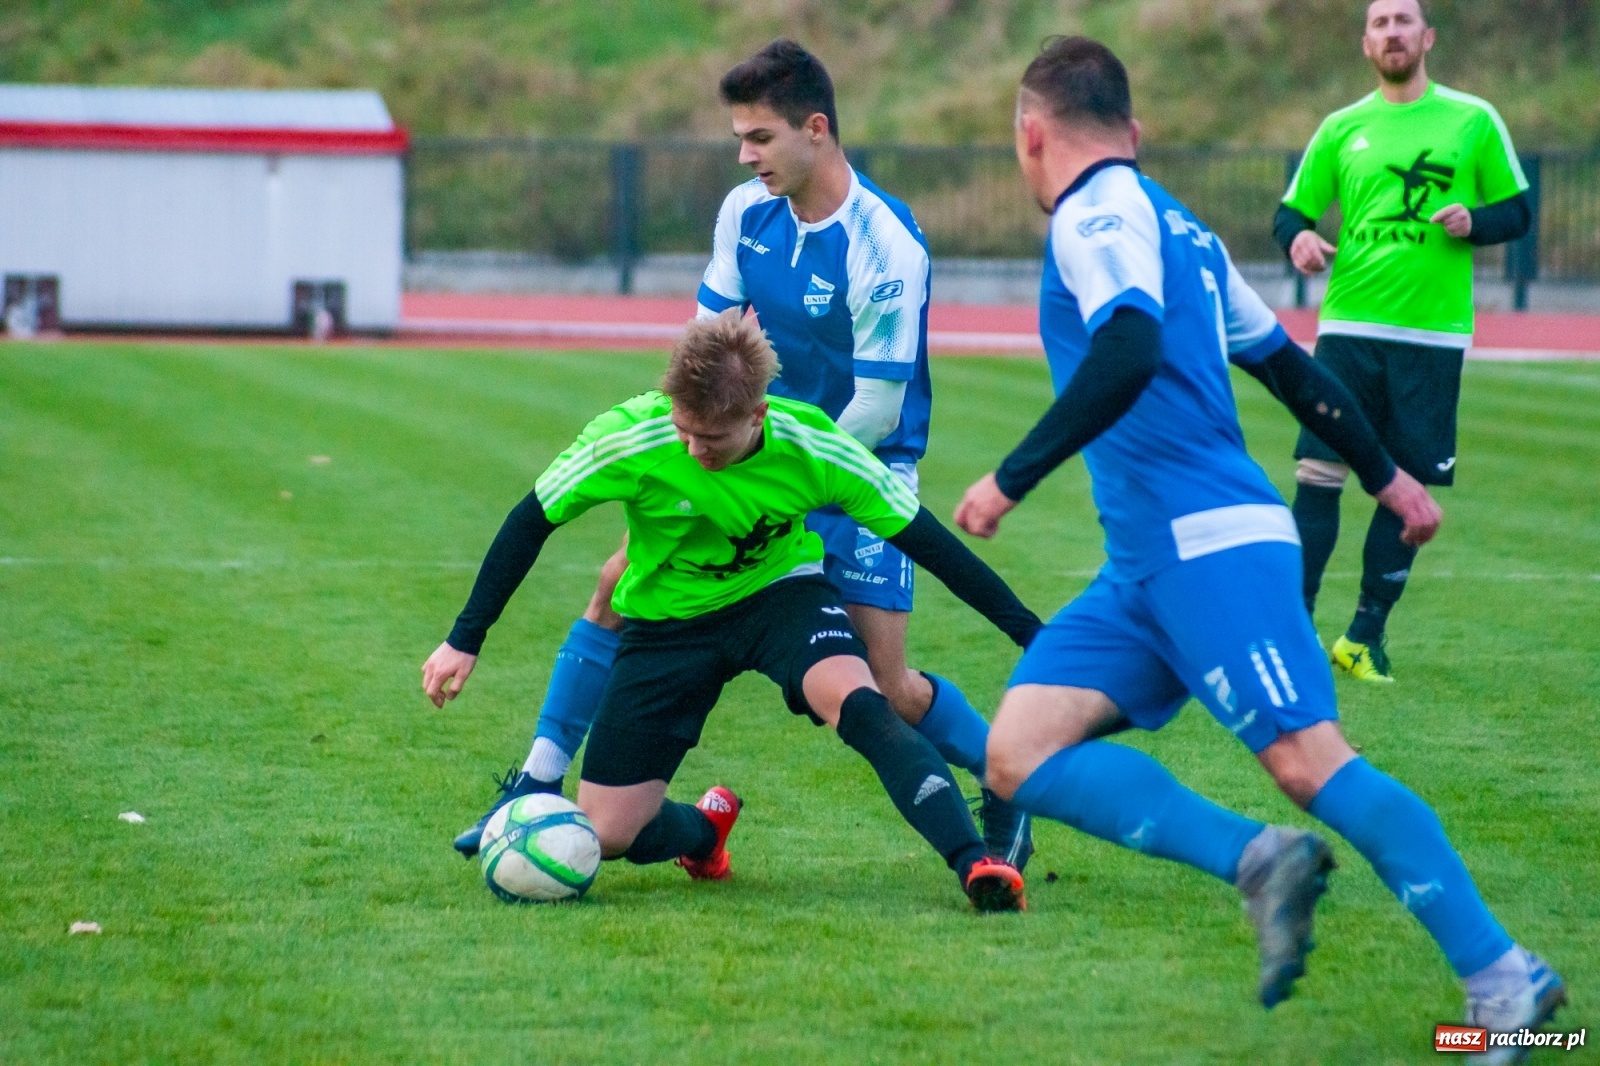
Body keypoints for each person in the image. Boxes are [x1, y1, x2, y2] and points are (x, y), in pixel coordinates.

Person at [955, 35, 1563, 1048]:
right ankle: (1255, 859)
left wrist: (1008, 478)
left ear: (1030, 135)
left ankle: (1505, 978)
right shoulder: (1180, 228)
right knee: (1016, 752)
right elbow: (1290, 369)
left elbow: (1127, 345)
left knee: (1305, 758)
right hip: (1145, 567)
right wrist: (1386, 474)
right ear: (1135, 132)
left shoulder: (1092, 213)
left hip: (1208, 544)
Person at [451, 38, 1032, 869]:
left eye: (758, 137)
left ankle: (1005, 777)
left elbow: (877, 404)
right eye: (739, 137)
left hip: (854, 465)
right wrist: (700, 453)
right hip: (750, 455)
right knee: (622, 578)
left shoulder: (886, 245)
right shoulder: (743, 214)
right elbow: (706, 336)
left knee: (890, 690)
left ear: (816, 130)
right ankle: (537, 783)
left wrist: (778, 472)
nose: (743, 154)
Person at [423, 310, 1038, 911]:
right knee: (607, 834)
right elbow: (531, 520)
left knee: (856, 700)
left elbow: (934, 548)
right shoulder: (630, 435)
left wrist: (1032, 635)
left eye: (711, 438)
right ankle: (703, 833)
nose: (693, 449)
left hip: (780, 599)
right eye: (684, 430)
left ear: (758, 415)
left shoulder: (811, 444)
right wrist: (464, 638)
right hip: (667, 626)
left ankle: (975, 863)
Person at [1276, 0, 1531, 681]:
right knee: (1318, 475)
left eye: (1403, 20)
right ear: (1366, 43)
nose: (1393, 32)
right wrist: (1298, 237)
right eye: (1381, 23)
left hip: (1432, 336)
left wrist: (1473, 220)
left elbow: (1518, 212)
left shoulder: (1472, 119)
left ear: (1428, 37)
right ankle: (1297, 632)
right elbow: (1292, 212)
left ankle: (1364, 636)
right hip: (1349, 329)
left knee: (1407, 487)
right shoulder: (1342, 127)